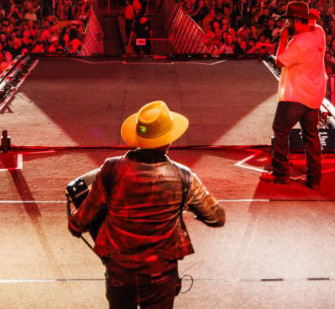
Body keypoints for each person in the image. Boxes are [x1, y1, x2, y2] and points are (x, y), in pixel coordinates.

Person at [68, 101, 226, 309]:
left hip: (119, 274)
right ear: (169, 139)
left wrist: (76, 222)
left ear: (138, 138)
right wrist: (184, 206)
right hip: (160, 275)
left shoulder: (111, 169)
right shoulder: (183, 176)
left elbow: (81, 221)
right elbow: (216, 217)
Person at [262, 1, 327, 189]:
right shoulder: (319, 33)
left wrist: (283, 40)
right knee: (311, 135)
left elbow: (280, 62)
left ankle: (281, 174)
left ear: (297, 20)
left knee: (280, 129)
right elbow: (313, 25)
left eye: (289, 21)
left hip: (296, 95)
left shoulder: (297, 44)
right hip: (314, 94)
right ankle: (314, 179)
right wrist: (309, 19)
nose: (287, 25)